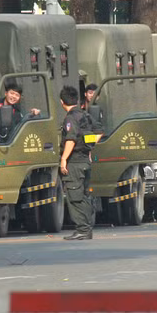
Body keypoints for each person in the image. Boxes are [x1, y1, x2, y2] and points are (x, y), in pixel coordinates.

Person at [58, 85, 95, 240]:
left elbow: (71, 139)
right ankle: (87, 228)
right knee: (84, 196)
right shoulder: (85, 116)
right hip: (85, 160)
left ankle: (83, 229)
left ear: (62, 101)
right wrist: (89, 154)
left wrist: (64, 159)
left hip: (75, 162)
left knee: (75, 197)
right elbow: (91, 138)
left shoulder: (71, 118)